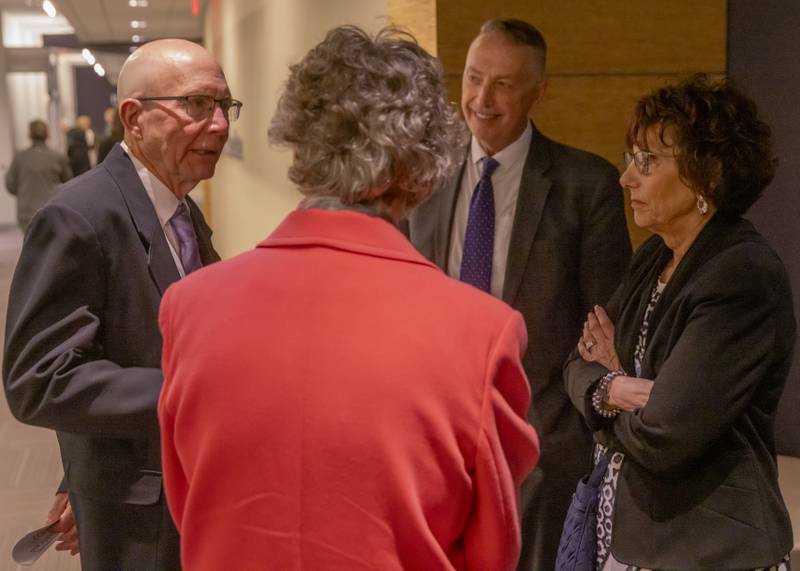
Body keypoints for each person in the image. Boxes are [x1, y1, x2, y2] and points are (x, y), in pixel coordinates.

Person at [158, 26, 539, 571]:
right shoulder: (482, 333)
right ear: (421, 167)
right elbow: (491, 551)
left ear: (301, 144)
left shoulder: (188, 307)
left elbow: (189, 502)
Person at [3, 38, 238, 569]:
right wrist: (195, 390)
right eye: (197, 105)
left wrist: (78, 469)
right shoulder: (77, 216)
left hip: (180, 490)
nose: (220, 124)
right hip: (137, 518)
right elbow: (38, 379)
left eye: (224, 106)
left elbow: (116, 344)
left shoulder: (179, 209)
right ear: (135, 118)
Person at [406, 18, 632, 570]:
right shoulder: (421, 172)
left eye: (504, 84)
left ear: (539, 92)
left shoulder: (586, 185)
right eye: (474, 78)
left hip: (542, 439)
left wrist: (575, 428)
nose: (482, 99)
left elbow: (604, 322)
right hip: (435, 430)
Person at [565, 73, 794, 570]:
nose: (627, 178)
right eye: (631, 159)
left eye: (645, 161)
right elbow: (576, 365)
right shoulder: (654, 256)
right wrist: (619, 386)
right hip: (634, 539)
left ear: (705, 173)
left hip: (709, 551)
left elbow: (666, 434)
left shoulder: (741, 274)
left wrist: (609, 382)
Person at [4, 119, 72, 231]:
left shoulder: (20, 158)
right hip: (52, 211)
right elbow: (69, 183)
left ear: (29, 135)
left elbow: (10, 184)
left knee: (30, 246)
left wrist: (23, 192)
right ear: (47, 134)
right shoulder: (58, 157)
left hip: (26, 213)